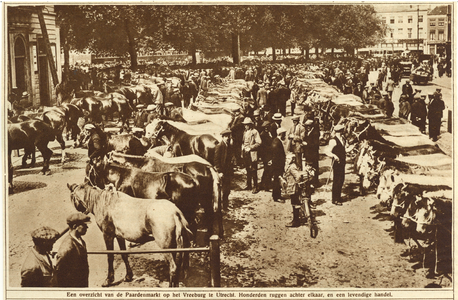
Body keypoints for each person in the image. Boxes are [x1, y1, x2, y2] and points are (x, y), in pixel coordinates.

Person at [55, 213, 91, 287]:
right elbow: (59, 272)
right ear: (75, 227)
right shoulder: (67, 246)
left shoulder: (80, 241)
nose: (87, 227)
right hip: (72, 285)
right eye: (84, 225)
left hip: (81, 283)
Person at [325, 124, 346, 205]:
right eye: (342, 131)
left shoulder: (343, 139)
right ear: (339, 131)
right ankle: (335, 199)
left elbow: (344, 149)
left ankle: (338, 196)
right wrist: (334, 156)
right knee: (337, 180)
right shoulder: (333, 140)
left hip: (342, 162)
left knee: (341, 180)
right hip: (336, 163)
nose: (343, 132)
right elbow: (327, 151)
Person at [241, 117, 262, 194]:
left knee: (253, 170)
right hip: (246, 152)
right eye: (244, 125)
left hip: (252, 153)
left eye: (246, 125)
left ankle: (255, 186)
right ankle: (249, 184)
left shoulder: (254, 132)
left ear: (250, 125)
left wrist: (250, 147)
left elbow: (259, 142)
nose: (245, 126)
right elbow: (243, 142)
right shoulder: (245, 132)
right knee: (247, 169)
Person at [214, 129, 233, 210]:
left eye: (228, 136)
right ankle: (221, 206)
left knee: (227, 189)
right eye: (226, 136)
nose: (227, 138)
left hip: (228, 171)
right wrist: (219, 171)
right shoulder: (220, 146)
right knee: (223, 189)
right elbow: (216, 160)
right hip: (222, 171)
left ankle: (225, 205)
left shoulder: (228, 146)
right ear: (222, 137)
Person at [302, 118, 320, 186]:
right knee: (309, 167)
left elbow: (315, 145)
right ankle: (311, 180)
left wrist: (307, 144)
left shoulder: (315, 133)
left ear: (311, 126)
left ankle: (315, 182)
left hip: (313, 154)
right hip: (308, 153)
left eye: (308, 126)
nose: (307, 128)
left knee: (314, 168)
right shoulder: (307, 132)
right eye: (306, 127)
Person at [271, 127, 287, 203]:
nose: (285, 136)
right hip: (277, 165)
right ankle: (276, 196)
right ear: (280, 134)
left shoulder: (277, 141)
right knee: (277, 180)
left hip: (278, 165)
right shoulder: (276, 143)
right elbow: (277, 157)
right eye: (284, 134)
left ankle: (277, 195)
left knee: (277, 180)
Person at [259, 121, 273, 191]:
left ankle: (263, 184)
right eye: (265, 127)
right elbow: (263, 147)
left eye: (268, 127)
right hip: (266, 155)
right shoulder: (263, 135)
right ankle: (266, 185)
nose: (267, 128)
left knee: (267, 170)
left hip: (269, 154)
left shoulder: (268, 133)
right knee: (268, 170)